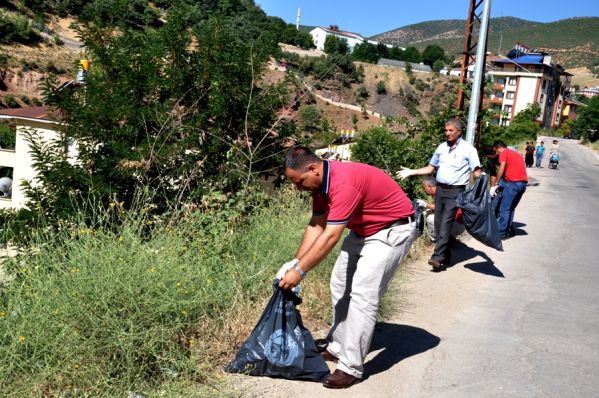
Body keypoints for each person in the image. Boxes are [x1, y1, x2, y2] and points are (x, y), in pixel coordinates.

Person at [277, 146, 416, 389]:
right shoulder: (319, 185)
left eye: (299, 182)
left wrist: (300, 272)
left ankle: (351, 367)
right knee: (339, 284)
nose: (298, 188)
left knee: (363, 296)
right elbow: (316, 225)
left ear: (312, 169)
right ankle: (338, 346)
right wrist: (294, 262)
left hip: (391, 230)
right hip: (364, 230)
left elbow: (330, 236)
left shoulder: (343, 183)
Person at [397, 118, 481, 271]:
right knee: (438, 223)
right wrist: (412, 171)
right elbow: (430, 168)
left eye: (451, 130)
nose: (447, 133)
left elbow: (476, 171)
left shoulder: (469, 150)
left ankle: (437, 257)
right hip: (440, 190)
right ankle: (446, 254)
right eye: (446, 130)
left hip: (456, 191)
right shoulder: (441, 148)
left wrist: (481, 181)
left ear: (459, 132)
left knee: (446, 223)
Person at [490, 140, 528, 239]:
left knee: (504, 209)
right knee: (511, 208)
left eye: (496, 151)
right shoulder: (516, 154)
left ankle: (501, 234)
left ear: (499, 148)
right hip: (522, 184)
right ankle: (509, 231)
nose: (497, 154)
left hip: (513, 184)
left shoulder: (504, 152)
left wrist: (496, 183)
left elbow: (501, 168)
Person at [417, 177, 465, 241]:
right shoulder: (440, 191)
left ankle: (439, 240)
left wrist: (425, 204)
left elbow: (439, 207)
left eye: (424, 187)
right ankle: (449, 238)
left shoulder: (441, 192)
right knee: (433, 214)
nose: (423, 190)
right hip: (457, 224)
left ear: (429, 187)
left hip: (457, 225)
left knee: (430, 218)